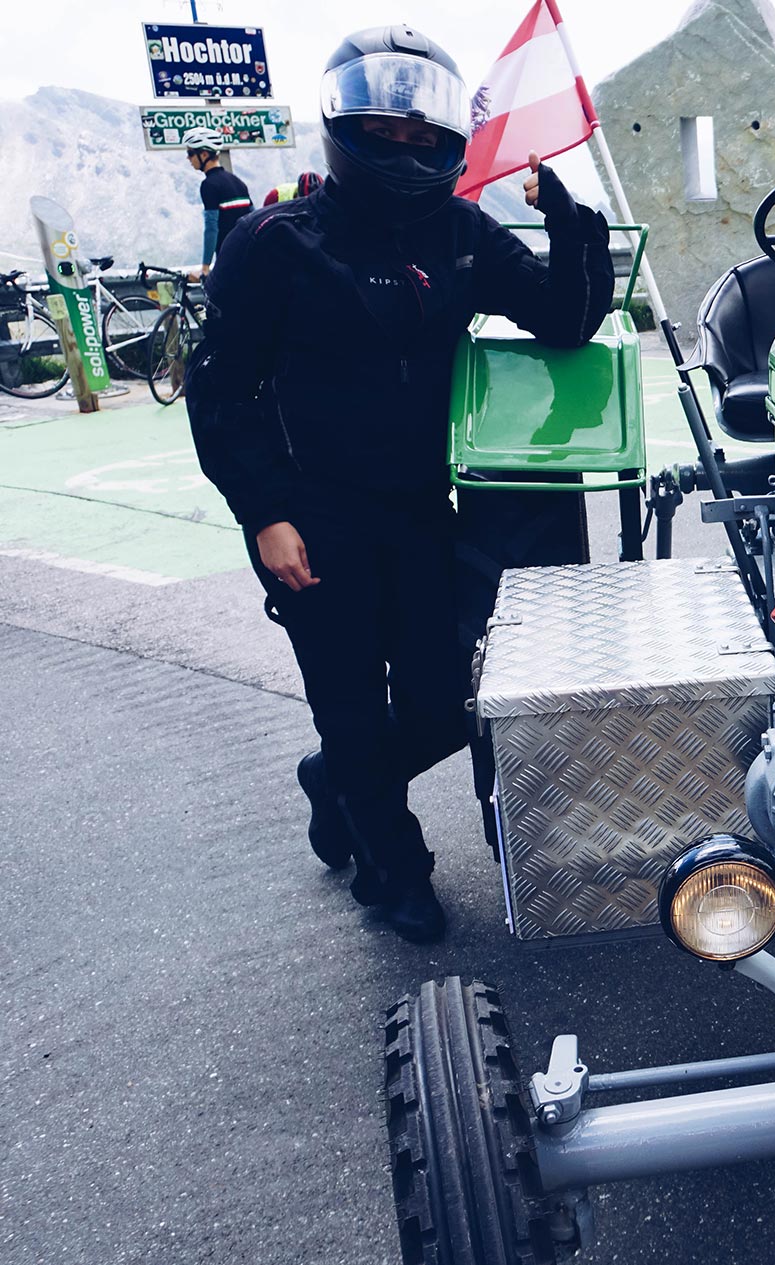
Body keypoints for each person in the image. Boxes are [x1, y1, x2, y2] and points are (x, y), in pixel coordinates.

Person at [185, 24, 612, 943]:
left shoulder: (458, 230)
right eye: (387, 132)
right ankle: (394, 869)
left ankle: (335, 778)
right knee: (346, 697)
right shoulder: (273, 241)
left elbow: (566, 316)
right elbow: (219, 393)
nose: (407, 149)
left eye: (425, 137)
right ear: (343, 128)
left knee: (441, 698)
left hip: (422, 509)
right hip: (312, 515)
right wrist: (266, 513)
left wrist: (570, 218)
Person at [183, 125, 252, 270]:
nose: (188, 158)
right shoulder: (237, 181)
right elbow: (254, 217)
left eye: (190, 153)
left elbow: (211, 228)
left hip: (228, 258)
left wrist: (205, 267)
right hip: (249, 255)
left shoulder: (209, 185)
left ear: (203, 155)